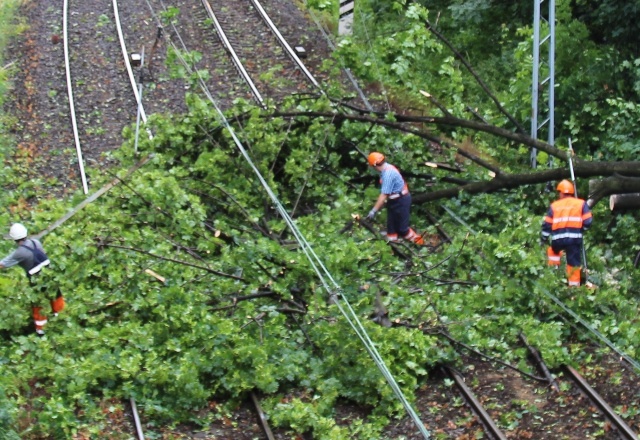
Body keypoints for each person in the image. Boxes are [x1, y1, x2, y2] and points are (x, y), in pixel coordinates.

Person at [0, 223, 64, 336]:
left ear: (14, 239)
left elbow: (2, 264)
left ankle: (41, 330)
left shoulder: (19, 253)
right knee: (55, 295)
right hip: (49, 274)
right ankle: (62, 317)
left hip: (36, 279)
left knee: (37, 303)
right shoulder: (36, 242)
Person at [541, 180, 593, 287]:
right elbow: (588, 222)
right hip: (574, 239)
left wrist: (544, 238)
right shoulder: (581, 204)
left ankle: (553, 275)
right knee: (573, 263)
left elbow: (547, 224)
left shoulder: (554, 206)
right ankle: (573, 288)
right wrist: (581, 229)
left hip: (558, 239)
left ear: (560, 192)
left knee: (553, 251)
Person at [365, 152, 424, 245]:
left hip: (401, 201)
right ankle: (393, 248)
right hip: (394, 200)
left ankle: (419, 243)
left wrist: (373, 211)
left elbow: (383, 195)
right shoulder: (386, 169)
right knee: (391, 228)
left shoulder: (388, 174)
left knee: (402, 229)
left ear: (374, 166)